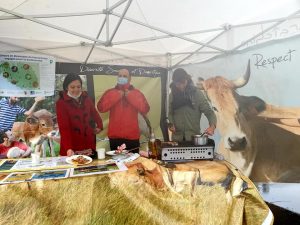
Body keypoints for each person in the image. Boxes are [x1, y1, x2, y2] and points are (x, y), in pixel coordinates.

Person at [97, 69, 150, 153]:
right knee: (116, 165)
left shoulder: (136, 93)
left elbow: (145, 109)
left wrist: (130, 96)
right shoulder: (110, 92)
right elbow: (101, 108)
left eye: (125, 76)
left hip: (132, 137)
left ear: (130, 78)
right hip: (115, 137)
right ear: (117, 77)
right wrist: (117, 95)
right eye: (120, 76)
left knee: (133, 164)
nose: (122, 78)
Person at [56, 74, 103, 157]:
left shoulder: (86, 98)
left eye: (78, 87)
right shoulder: (61, 103)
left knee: (90, 167)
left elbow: (94, 113)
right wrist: (68, 148)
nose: (76, 90)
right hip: (72, 143)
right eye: (72, 87)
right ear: (67, 87)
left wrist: (100, 125)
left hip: (88, 141)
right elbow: (64, 128)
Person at [168, 68, 217, 142]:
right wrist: (171, 125)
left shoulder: (197, 94)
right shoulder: (172, 95)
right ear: (174, 83)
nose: (181, 86)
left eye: (183, 83)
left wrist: (212, 127)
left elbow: (209, 112)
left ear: (187, 79)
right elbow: (170, 113)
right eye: (178, 84)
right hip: (177, 140)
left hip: (193, 139)